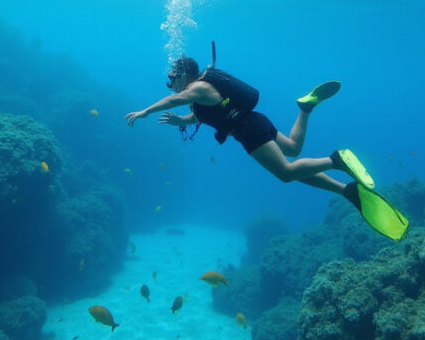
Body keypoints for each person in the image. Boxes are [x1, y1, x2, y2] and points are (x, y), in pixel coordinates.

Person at [125, 56, 408, 240]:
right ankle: (308, 112)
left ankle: (336, 160)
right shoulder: (199, 96)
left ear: (185, 74)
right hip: (255, 122)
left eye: (172, 77)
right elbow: (196, 115)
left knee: (286, 173)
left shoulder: (196, 89)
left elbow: (173, 100)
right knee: (294, 150)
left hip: (248, 131)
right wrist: (179, 122)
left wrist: (145, 111)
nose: (170, 83)